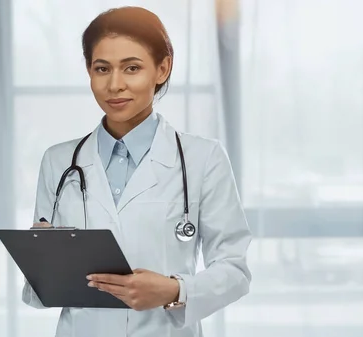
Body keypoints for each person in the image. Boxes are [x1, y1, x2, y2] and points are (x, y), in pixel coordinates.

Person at [22, 6, 252, 337]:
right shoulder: (59, 162)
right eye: (102, 69)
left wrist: (174, 291)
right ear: (89, 71)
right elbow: (43, 291)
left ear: (162, 68)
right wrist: (41, 265)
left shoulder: (204, 158)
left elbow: (235, 271)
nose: (115, 85)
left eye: (132, 68)